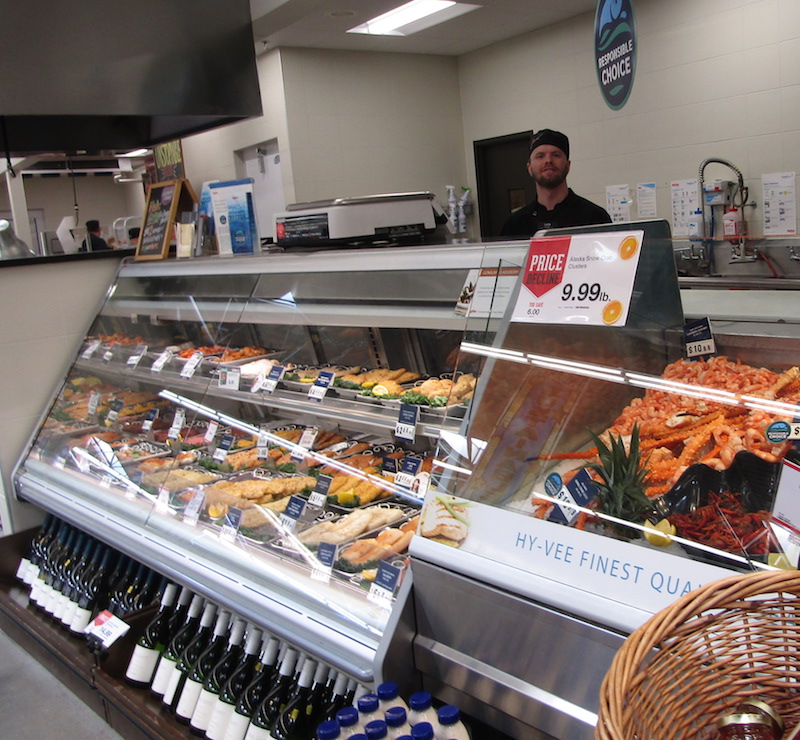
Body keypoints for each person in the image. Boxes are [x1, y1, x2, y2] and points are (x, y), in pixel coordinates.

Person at [500, 129, 612, 237]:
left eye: (556, 155)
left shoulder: (595, 218)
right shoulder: (514, 225)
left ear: (568, 165)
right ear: (529, 168)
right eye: (540, 156)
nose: (548, 160)